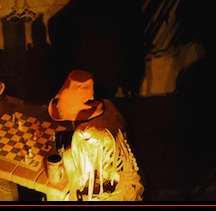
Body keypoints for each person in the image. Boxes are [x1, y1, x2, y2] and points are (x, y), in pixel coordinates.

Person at [47, 70, 145, 201]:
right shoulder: (107, 105)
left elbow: (84, 180)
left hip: (121, 191)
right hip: (124, 170)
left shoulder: (84, 135)